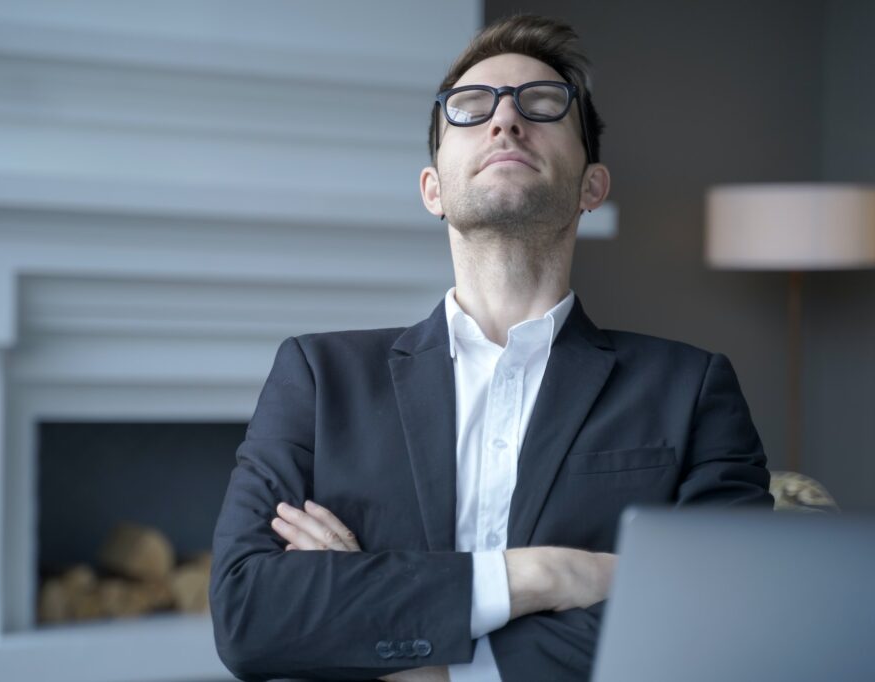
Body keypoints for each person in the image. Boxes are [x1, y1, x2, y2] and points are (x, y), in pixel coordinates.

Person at [209, 14, 773, 682]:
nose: (506, 121)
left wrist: (427, 662)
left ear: (593, 185)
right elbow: (248, 615)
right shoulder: (317, 377)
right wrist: (552, 574)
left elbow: (726, 610)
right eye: (472, 110)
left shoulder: (691, 387)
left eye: (541, 104)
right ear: (433, 190)